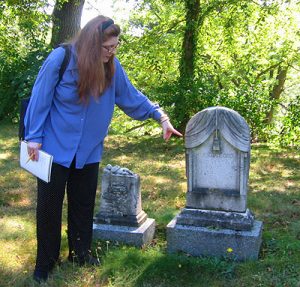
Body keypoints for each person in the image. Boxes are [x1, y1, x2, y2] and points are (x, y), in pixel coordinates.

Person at [24, 15, 182, 283]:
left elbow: (131, 96)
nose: (112, 52)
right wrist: (34, 137)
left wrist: (161, 117)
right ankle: (45, 263)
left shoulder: (111, 66)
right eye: (107, 47)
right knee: (49, 208)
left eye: (115, 46)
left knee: (83, 205)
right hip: (54, 147)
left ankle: (80, 252)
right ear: (90, 43)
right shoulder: (61, 59)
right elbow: (40, 98)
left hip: (88, 150)